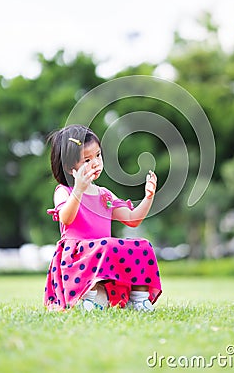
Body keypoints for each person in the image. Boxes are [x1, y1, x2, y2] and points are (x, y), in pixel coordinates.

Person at [44, 124, 162, 312]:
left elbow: (132, 219)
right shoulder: (64, 191)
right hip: (76, 257)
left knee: (143, 246)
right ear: (69, 167)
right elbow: (66, 218)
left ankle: (138, 298)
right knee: (106, 245)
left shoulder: (104, 195)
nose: (96, 163)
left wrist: (148, 197)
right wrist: (78, 190)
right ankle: (87, 296)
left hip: (101, 252)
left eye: (98, 155)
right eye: (87, 160)